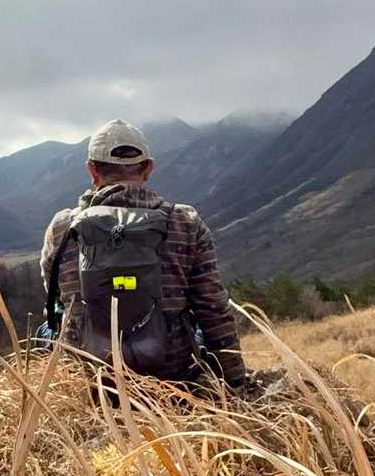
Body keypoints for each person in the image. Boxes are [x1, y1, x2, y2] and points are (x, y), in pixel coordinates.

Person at [39, 118, 247, 389]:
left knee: (47, 325)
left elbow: (55, 296)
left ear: (92, 170)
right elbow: (213, 308)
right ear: (148, 168)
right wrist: (235, 383)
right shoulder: (185, 222)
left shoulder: (63, 227)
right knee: (194, 325)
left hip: (93, 379)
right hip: (171, 374)